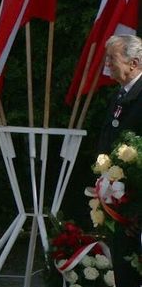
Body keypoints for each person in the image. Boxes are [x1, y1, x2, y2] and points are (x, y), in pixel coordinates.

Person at [98, 34, 142, 287]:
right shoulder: (118, 96)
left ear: (133, 63)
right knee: (124, 271)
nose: (107, 64)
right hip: (120, 203)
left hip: (137, 206)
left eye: (112, 59)